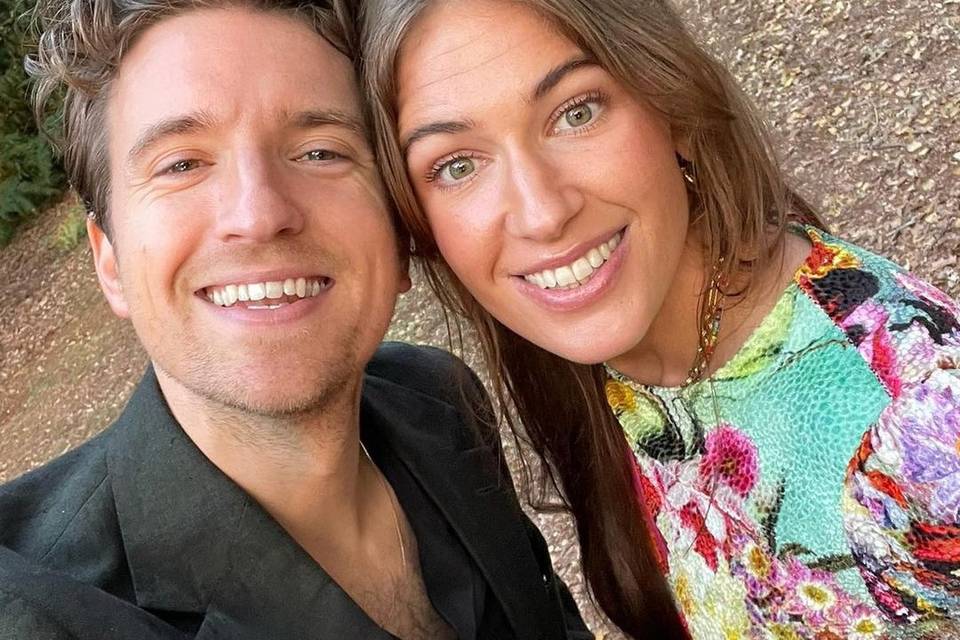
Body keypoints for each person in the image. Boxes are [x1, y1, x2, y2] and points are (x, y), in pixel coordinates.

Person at [360, 0, 960, 638]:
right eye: (457, 165)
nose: (541, 213)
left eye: (576, 112)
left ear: (669, 102)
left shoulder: (924, 426)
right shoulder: (586, 358)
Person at [0, 1, 594, 639]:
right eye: (182, 164)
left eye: (319, 152)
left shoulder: (439, 401)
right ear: (109, 261)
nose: (259, 213)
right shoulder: (39, 611)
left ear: (399, 235)